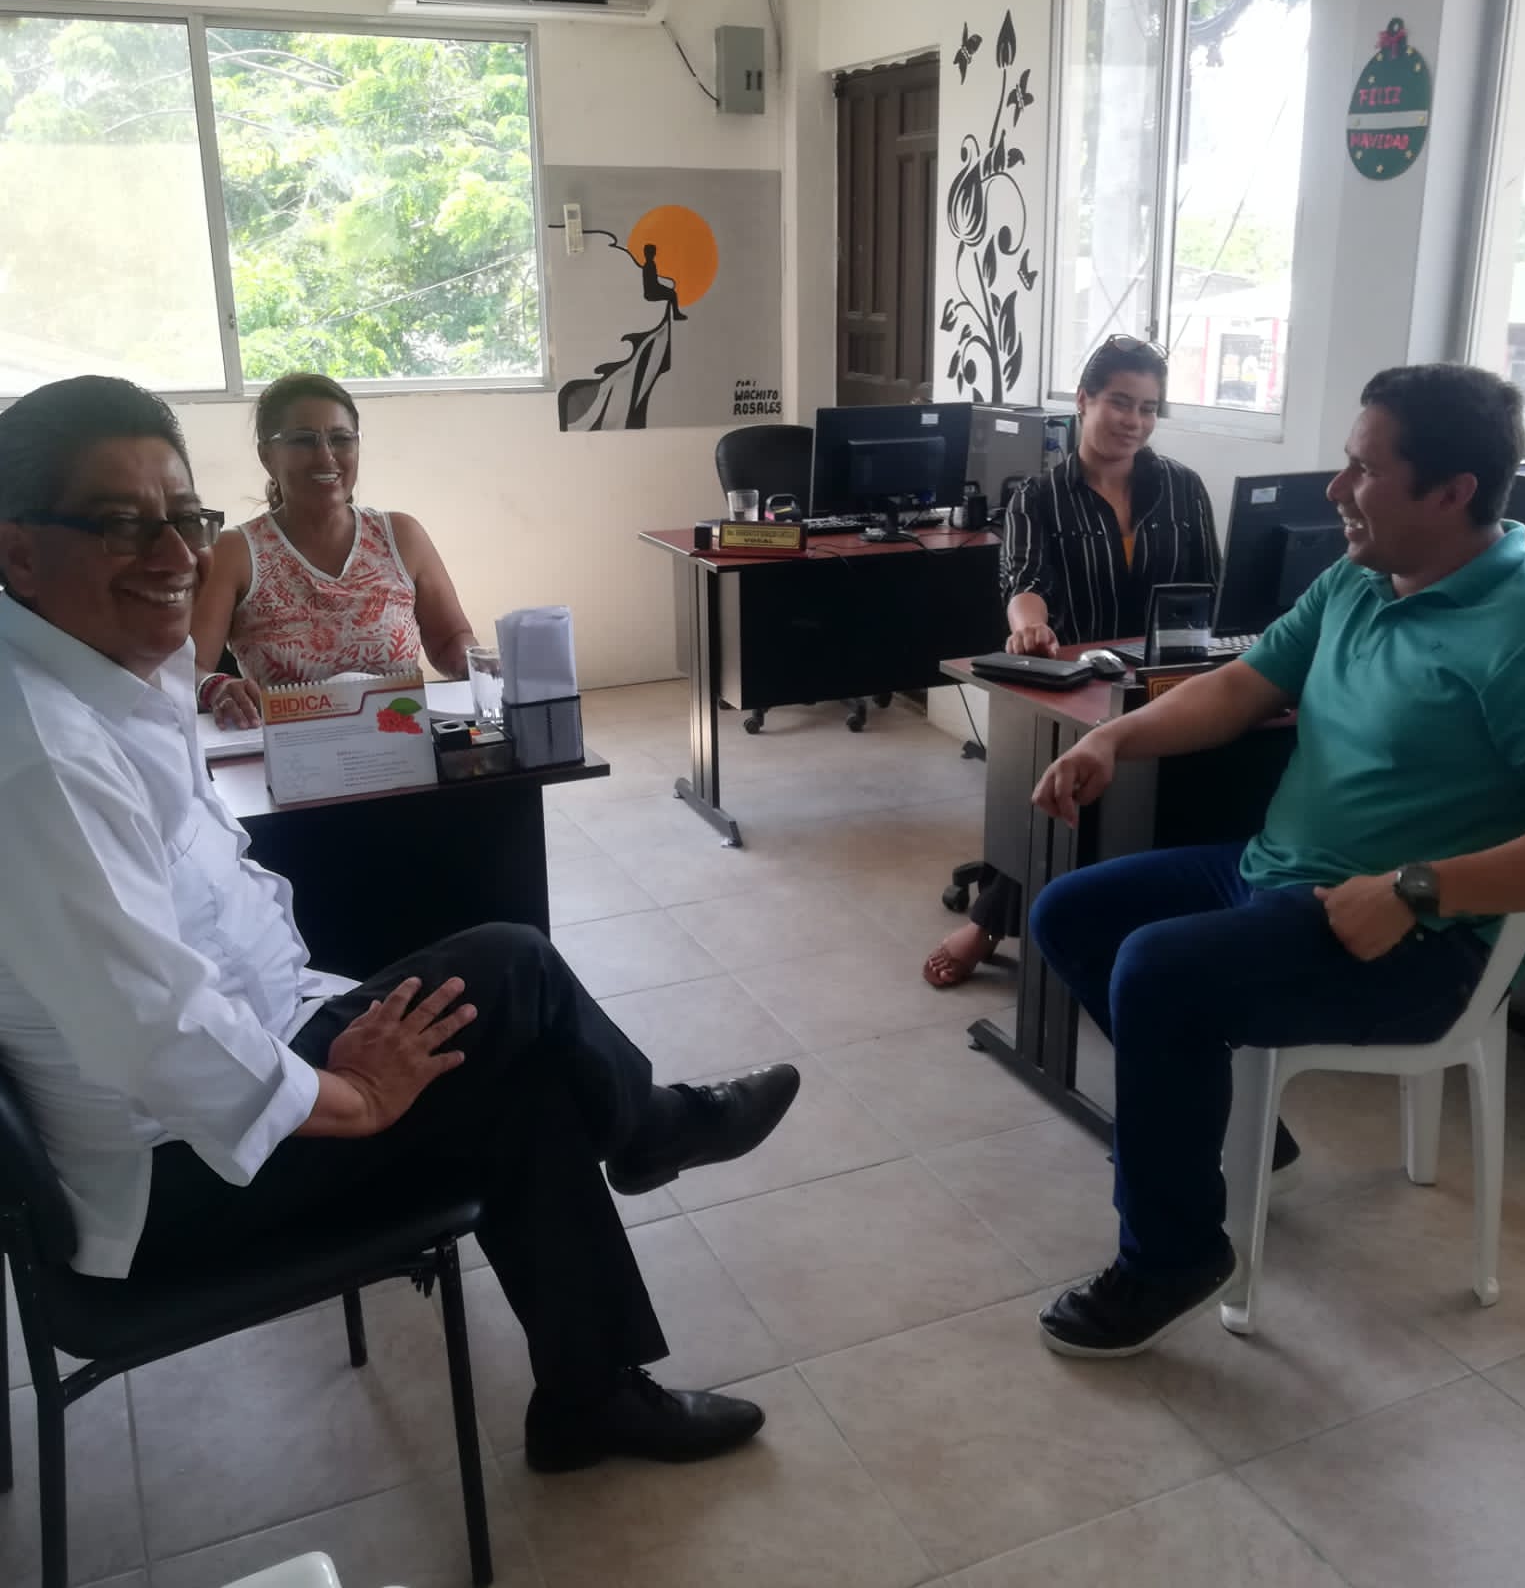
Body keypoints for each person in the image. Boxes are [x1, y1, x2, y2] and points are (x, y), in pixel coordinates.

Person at [0, 375, 802, 1469]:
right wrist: (351, 1096)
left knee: (518, 1058)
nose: (174, 553)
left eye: (182, 516)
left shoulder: (102, 681)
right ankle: (652, 1132)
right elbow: (160, 1035)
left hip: (240, 1070)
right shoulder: (41, 757)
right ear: (18, 552)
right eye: (118, 523)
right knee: (512, 965)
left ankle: (591, 1394)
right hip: (178, 1176)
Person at [1025, 363, 1525, 1358]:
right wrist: (1114, 739)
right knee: (1070, 913)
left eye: (1363, 469)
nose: (1336, 489)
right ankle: (1232, 1133)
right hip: (1278, 876)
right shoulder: (1358, 579)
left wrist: (1420, 889)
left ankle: (1171, 1257)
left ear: (1452, 492)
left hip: (1424, 941)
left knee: (1158, 970)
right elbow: (1241, 686)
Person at [924, 335, 1219, 989]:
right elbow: (1024, 581)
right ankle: (990, 921)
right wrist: (1029, 627)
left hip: (1166, 679)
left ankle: (1149, 925)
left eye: (1147, 408)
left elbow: (1210, 588)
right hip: (1075, 687)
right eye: (1119, 401)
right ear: (1083, 400)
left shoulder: (1184, 489)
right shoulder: (1038, 496)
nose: (1133, 421)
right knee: (1050, 788)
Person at [190, 373, 477, 730]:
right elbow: (188, 668)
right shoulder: (235, 553)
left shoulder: (402, 536)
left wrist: (477, 663)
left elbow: (451, 641)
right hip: (290, 753)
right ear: (267, 455)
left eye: (341, 439)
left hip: (401, 741)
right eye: (303, 440)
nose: (326, 456)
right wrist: (215, 687)